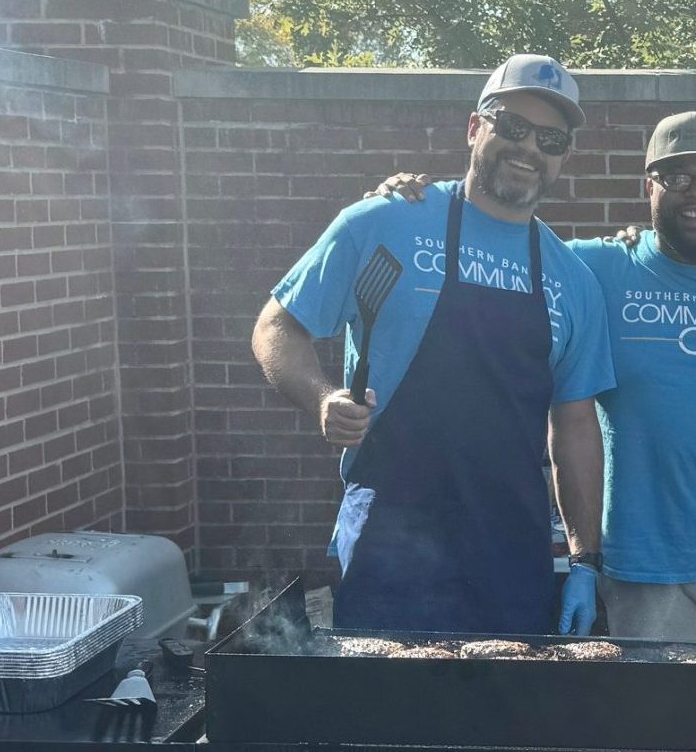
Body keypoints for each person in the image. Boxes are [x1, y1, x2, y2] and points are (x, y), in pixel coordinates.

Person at [366, 113, 696, 643]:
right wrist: (419, 200)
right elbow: (499, 230)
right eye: (676, 177)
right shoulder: (592, 268)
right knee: (655, 721)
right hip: (640, 565)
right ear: (649, 186)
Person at [252, 53, 614, 637]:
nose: (528, 149)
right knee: (384, 714)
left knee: (503, 721)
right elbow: (277, 326)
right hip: (389, 537)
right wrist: (321, 398)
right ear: (475, 127)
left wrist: (583, 561)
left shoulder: (572, 279)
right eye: (512, 127)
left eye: (550, 139)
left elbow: (574, 425)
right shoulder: (383, 224)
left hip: (509, 547)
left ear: (564, 157)